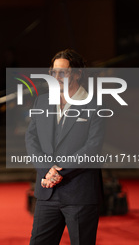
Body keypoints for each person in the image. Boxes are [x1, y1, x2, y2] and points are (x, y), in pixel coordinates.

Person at [25, 49, 105, 245]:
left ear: (78, 74)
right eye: (53, 72)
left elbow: (93, 146)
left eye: (63, 72)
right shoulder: (42, 101)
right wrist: (46, 171)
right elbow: (31, 138)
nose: (57, 77)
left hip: (80, 193)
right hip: (47, 192)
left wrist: (59, 171)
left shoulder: (95, 104)